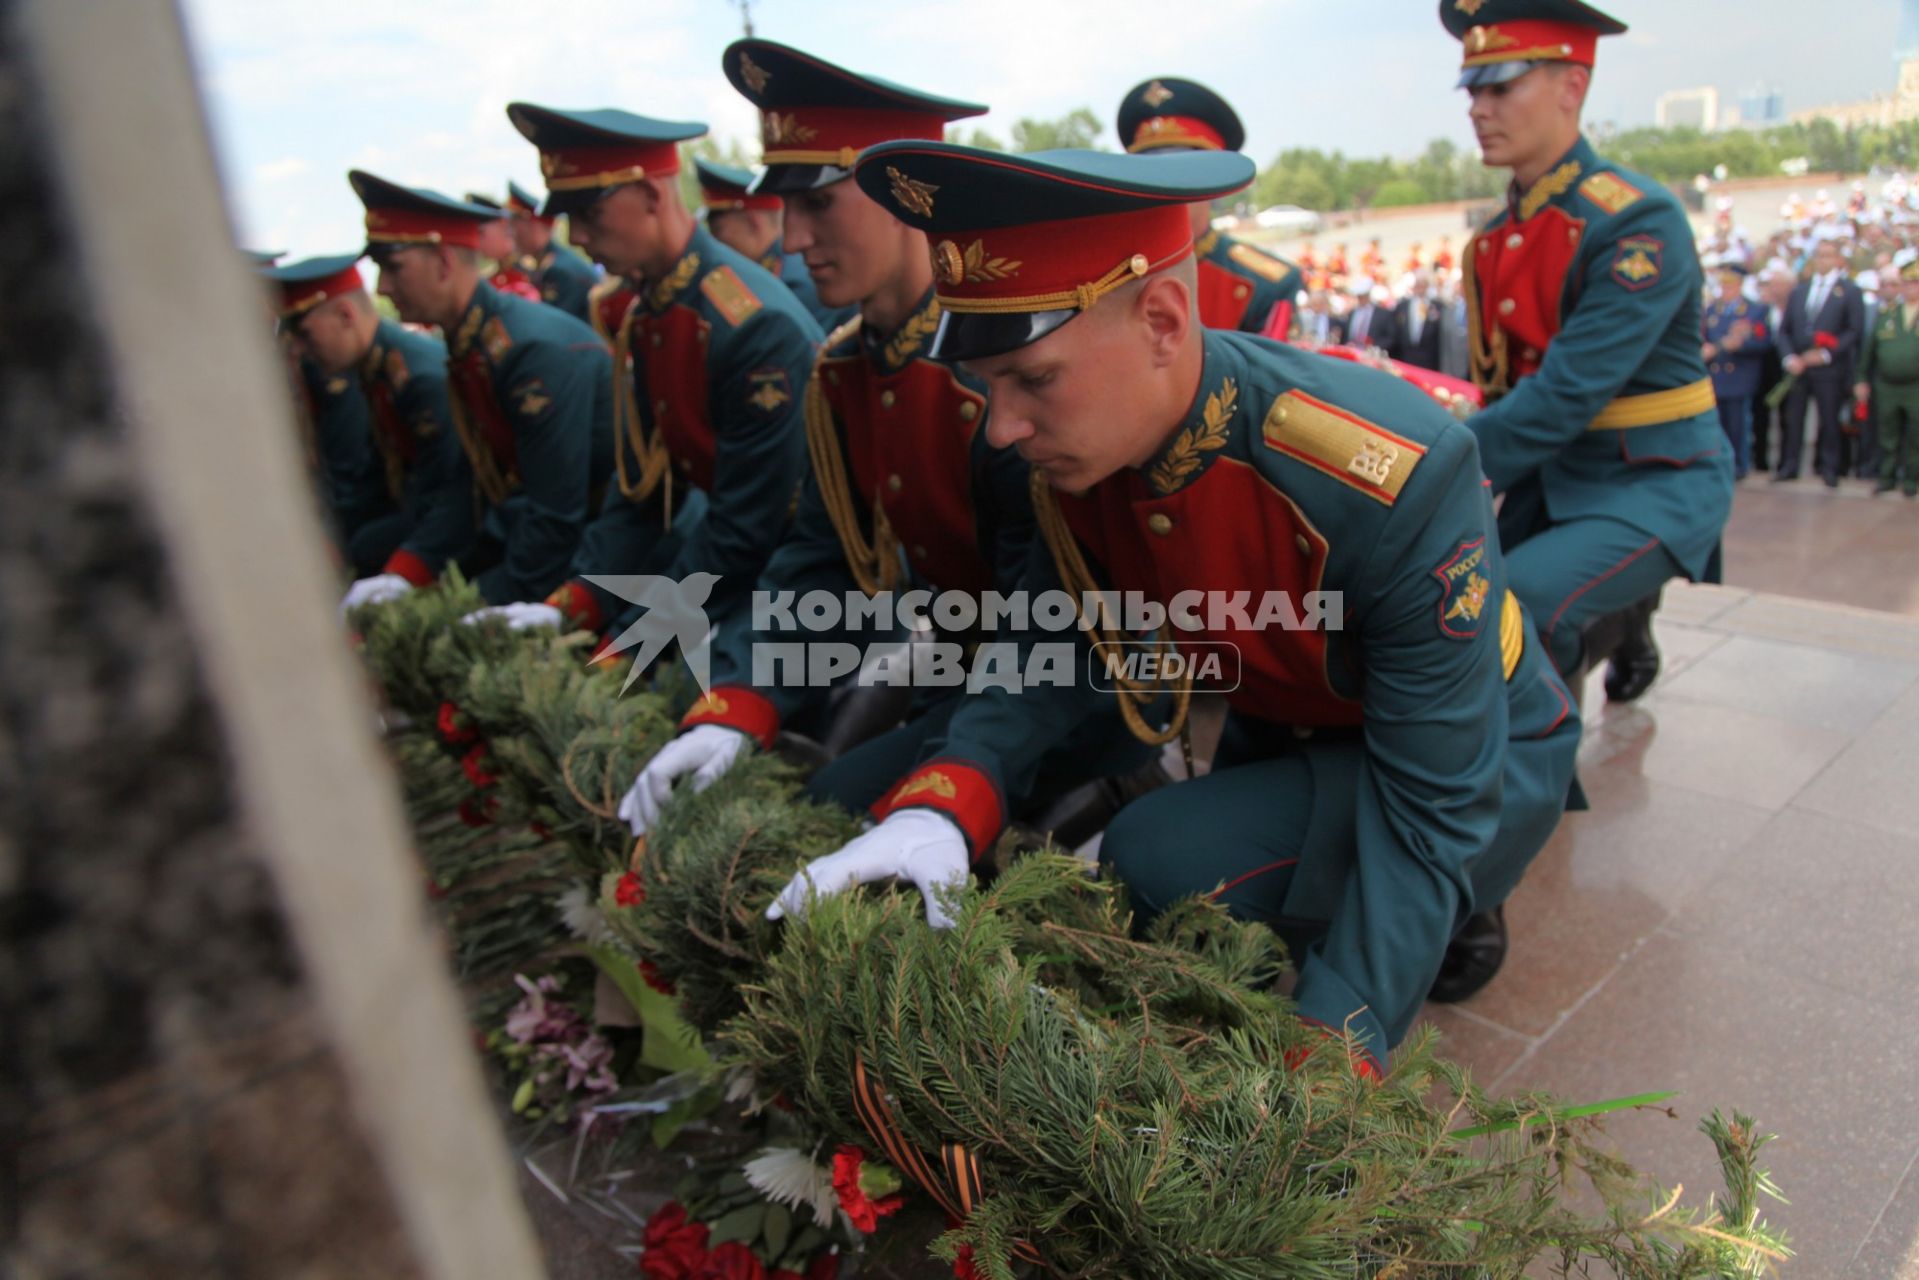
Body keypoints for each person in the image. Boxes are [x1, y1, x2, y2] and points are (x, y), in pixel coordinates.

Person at [750, 141, 1579, 1067]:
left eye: (1032, 377)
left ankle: (1461, 894)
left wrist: (1335, 1046)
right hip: (1296, 725)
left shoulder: (1385, 469)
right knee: (1174, 864)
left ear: (1162, 318)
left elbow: (1432, 798)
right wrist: (943, 803)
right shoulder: (1076, 447)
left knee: (1164, 859)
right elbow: (1046, 642)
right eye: (985, 386)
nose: (1003, 426)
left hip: (1475, 750)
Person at [620, 39, 1159, 842]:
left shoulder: (1001, 374)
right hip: (963, 672)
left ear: (907, 197)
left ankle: (1112, 804)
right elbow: (822, 560)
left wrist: (949, 782)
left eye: (819, 204)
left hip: (1078, 692)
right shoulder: (842, 369)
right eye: (785, 208)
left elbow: (1053, 623)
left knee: (847, 819)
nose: (792, 238)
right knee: (825, 801)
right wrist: (739, 701)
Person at [1443, 0, 1732, 705]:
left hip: (1651, 478)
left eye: (1501, 86)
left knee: (1523, 605)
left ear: (1571, 87)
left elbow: (1562, 397)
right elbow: (1503, 393)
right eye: (1472, 90)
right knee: (1437, 597)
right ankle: (1621, 618)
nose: (1478, 109)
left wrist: (1431, 465)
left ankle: (1528, 796)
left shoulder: (1635, 218)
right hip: (1552, 478)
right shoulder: (1491, 240)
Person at [488, 103, 821, 641]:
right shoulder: (652, 315)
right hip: (729, 572)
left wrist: (639, 640)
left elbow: (746, 526)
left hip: (795, 597)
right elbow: (642, 491)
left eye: (590, 215)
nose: (575, 238)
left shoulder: (745, 321)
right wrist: (576, 602)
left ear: (651, 196)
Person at [351, 170, 614, 606]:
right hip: (558, 534)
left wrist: (486, 604)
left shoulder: (525, 350)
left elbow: (555, 514)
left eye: (393, 268)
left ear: (444, 262)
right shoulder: (472, 346)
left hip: (615, 552)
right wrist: (408, 570)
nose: (382, 288)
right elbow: (470, 482)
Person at [262, 253, 477, 612]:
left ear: (346, 316)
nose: (298, 350)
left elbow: (451, 496)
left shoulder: (416, 378)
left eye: (304, 334)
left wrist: (403, 570)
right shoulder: (375, 367)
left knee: (367, 548)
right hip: (423, 510)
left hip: (464, 526)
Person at [1116, 77, 1303, 336]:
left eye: (1177, 176)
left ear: (1212, 183)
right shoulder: (1108, 273)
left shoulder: (1263, 284)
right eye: (1145, 176)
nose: (1157, 191)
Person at [693, 156, 848, 331]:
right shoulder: (784, 272)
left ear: (753, 222)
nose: (715, 241)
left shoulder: (800, 281)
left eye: (718, 230)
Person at [1774, 233, 1865, 485]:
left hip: (1829, 368)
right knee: (1793, 419)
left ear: (1837, 260)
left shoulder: (1848, 291)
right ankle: (1789, 465)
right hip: (1798, 366)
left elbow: (1853, 331)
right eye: (1819, 256)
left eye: (1828, 256)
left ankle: (1829, 468)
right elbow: (1784, 330)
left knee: (1828, 419)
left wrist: (1826, 354)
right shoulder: (1800, 291)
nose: (1822, 261)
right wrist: (1789, 357)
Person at [1856, 250, 1919, 496]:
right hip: (1887, 384)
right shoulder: (1887, 314)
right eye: (1907, 283)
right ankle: (1887, 476)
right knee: (1887, 434)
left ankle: (1912, 479)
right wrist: (1861, 378)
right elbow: (1869, 351)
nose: (1910, 288)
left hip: (1916, 386)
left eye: (1915, 283)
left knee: (1916, 436)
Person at [1701, 255, 1769, 479]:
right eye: (1723, 284)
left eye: (1729, 285)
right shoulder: (1712, 310)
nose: (1725, 289)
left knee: (1738, 425)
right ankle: (1718, 463)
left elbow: (1763, 342)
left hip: (1739, 376)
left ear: (1739, 285)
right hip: (1715, 376)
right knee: (1716, 425)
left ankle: (1739, 465)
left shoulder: (1754, 311)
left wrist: (1740, 344)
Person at [504, 180, 599, 322]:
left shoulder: (560, 271)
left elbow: (553, 326)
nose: (511, 234)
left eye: (515, 225)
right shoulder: (546, 263)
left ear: (534, 225)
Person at [466, 193, 543, 302]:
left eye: (481, 233)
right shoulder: (491, 274)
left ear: (503, 225)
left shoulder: (527, 275)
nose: (476, 240)